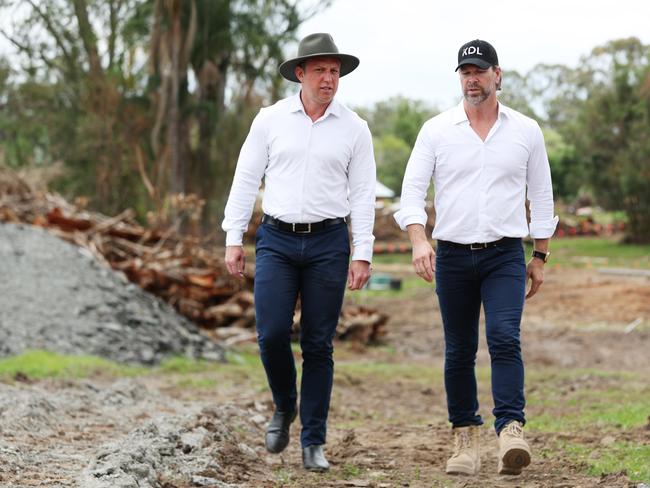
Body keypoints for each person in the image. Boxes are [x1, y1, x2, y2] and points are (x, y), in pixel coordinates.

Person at [394, 39, 557, 476]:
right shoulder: (436, 130)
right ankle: (465, 438)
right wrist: (418, 239)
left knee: (505, 337)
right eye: (465, 72)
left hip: (504, 254)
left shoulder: (526, 131)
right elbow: (410, 193)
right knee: (459, 348)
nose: (472, 79)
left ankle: (510, 430)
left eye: (480, 71)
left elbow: (542, 197)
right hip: (451, 255)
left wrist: (539, 255)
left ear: (497, 75)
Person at [222, 33, 376, 472]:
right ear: (301, 74)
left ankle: (313, 441)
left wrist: (361, 251)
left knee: (318, 344)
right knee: (270, 334)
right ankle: (284, 405)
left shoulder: (355, 128)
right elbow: (245, 179)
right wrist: (234, 237)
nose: (330, 78)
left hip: (329, 242)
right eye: (321, 70)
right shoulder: (270, 120)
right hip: (277, 239)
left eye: (335, 71)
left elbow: (363, 195)